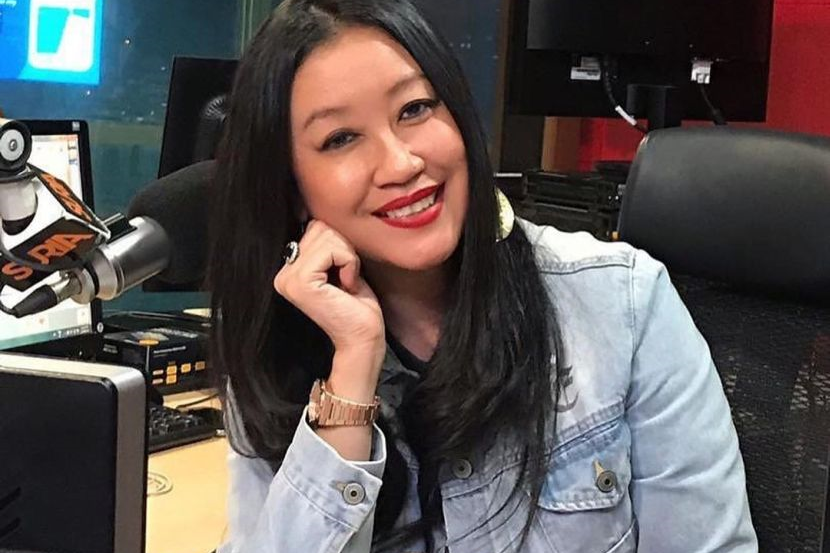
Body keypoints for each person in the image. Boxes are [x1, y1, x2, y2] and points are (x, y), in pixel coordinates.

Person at [206, 0, 758, 551]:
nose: (401, 164)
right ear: (292, 190)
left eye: (415, 109)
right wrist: (351, 372)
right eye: (341, 139)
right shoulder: (271, 354)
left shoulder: (623, 303)